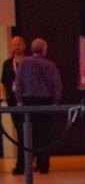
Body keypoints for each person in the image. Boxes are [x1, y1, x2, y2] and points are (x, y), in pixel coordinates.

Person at [12, 37, 62, 174]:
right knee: (44, 136)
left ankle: (22, 166)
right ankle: (44, 166)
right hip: (45, 102)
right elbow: (56, 85)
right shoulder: (50, 65)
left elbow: (19, 83)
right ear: (44, 50)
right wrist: (55, 101)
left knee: (25, 136)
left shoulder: (24, 63)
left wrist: (19, 100)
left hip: (27, 103)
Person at [3, 36, 25, 174]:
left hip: (27, 100)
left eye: (18, 44)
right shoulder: (7, 64)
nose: (16, 47)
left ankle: (22, 163)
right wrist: (5, 99)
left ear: (24, 46)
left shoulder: (28, 62)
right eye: (13, 44)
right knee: (20, 132)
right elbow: (4, 83)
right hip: (12, 101)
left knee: (25, 132)